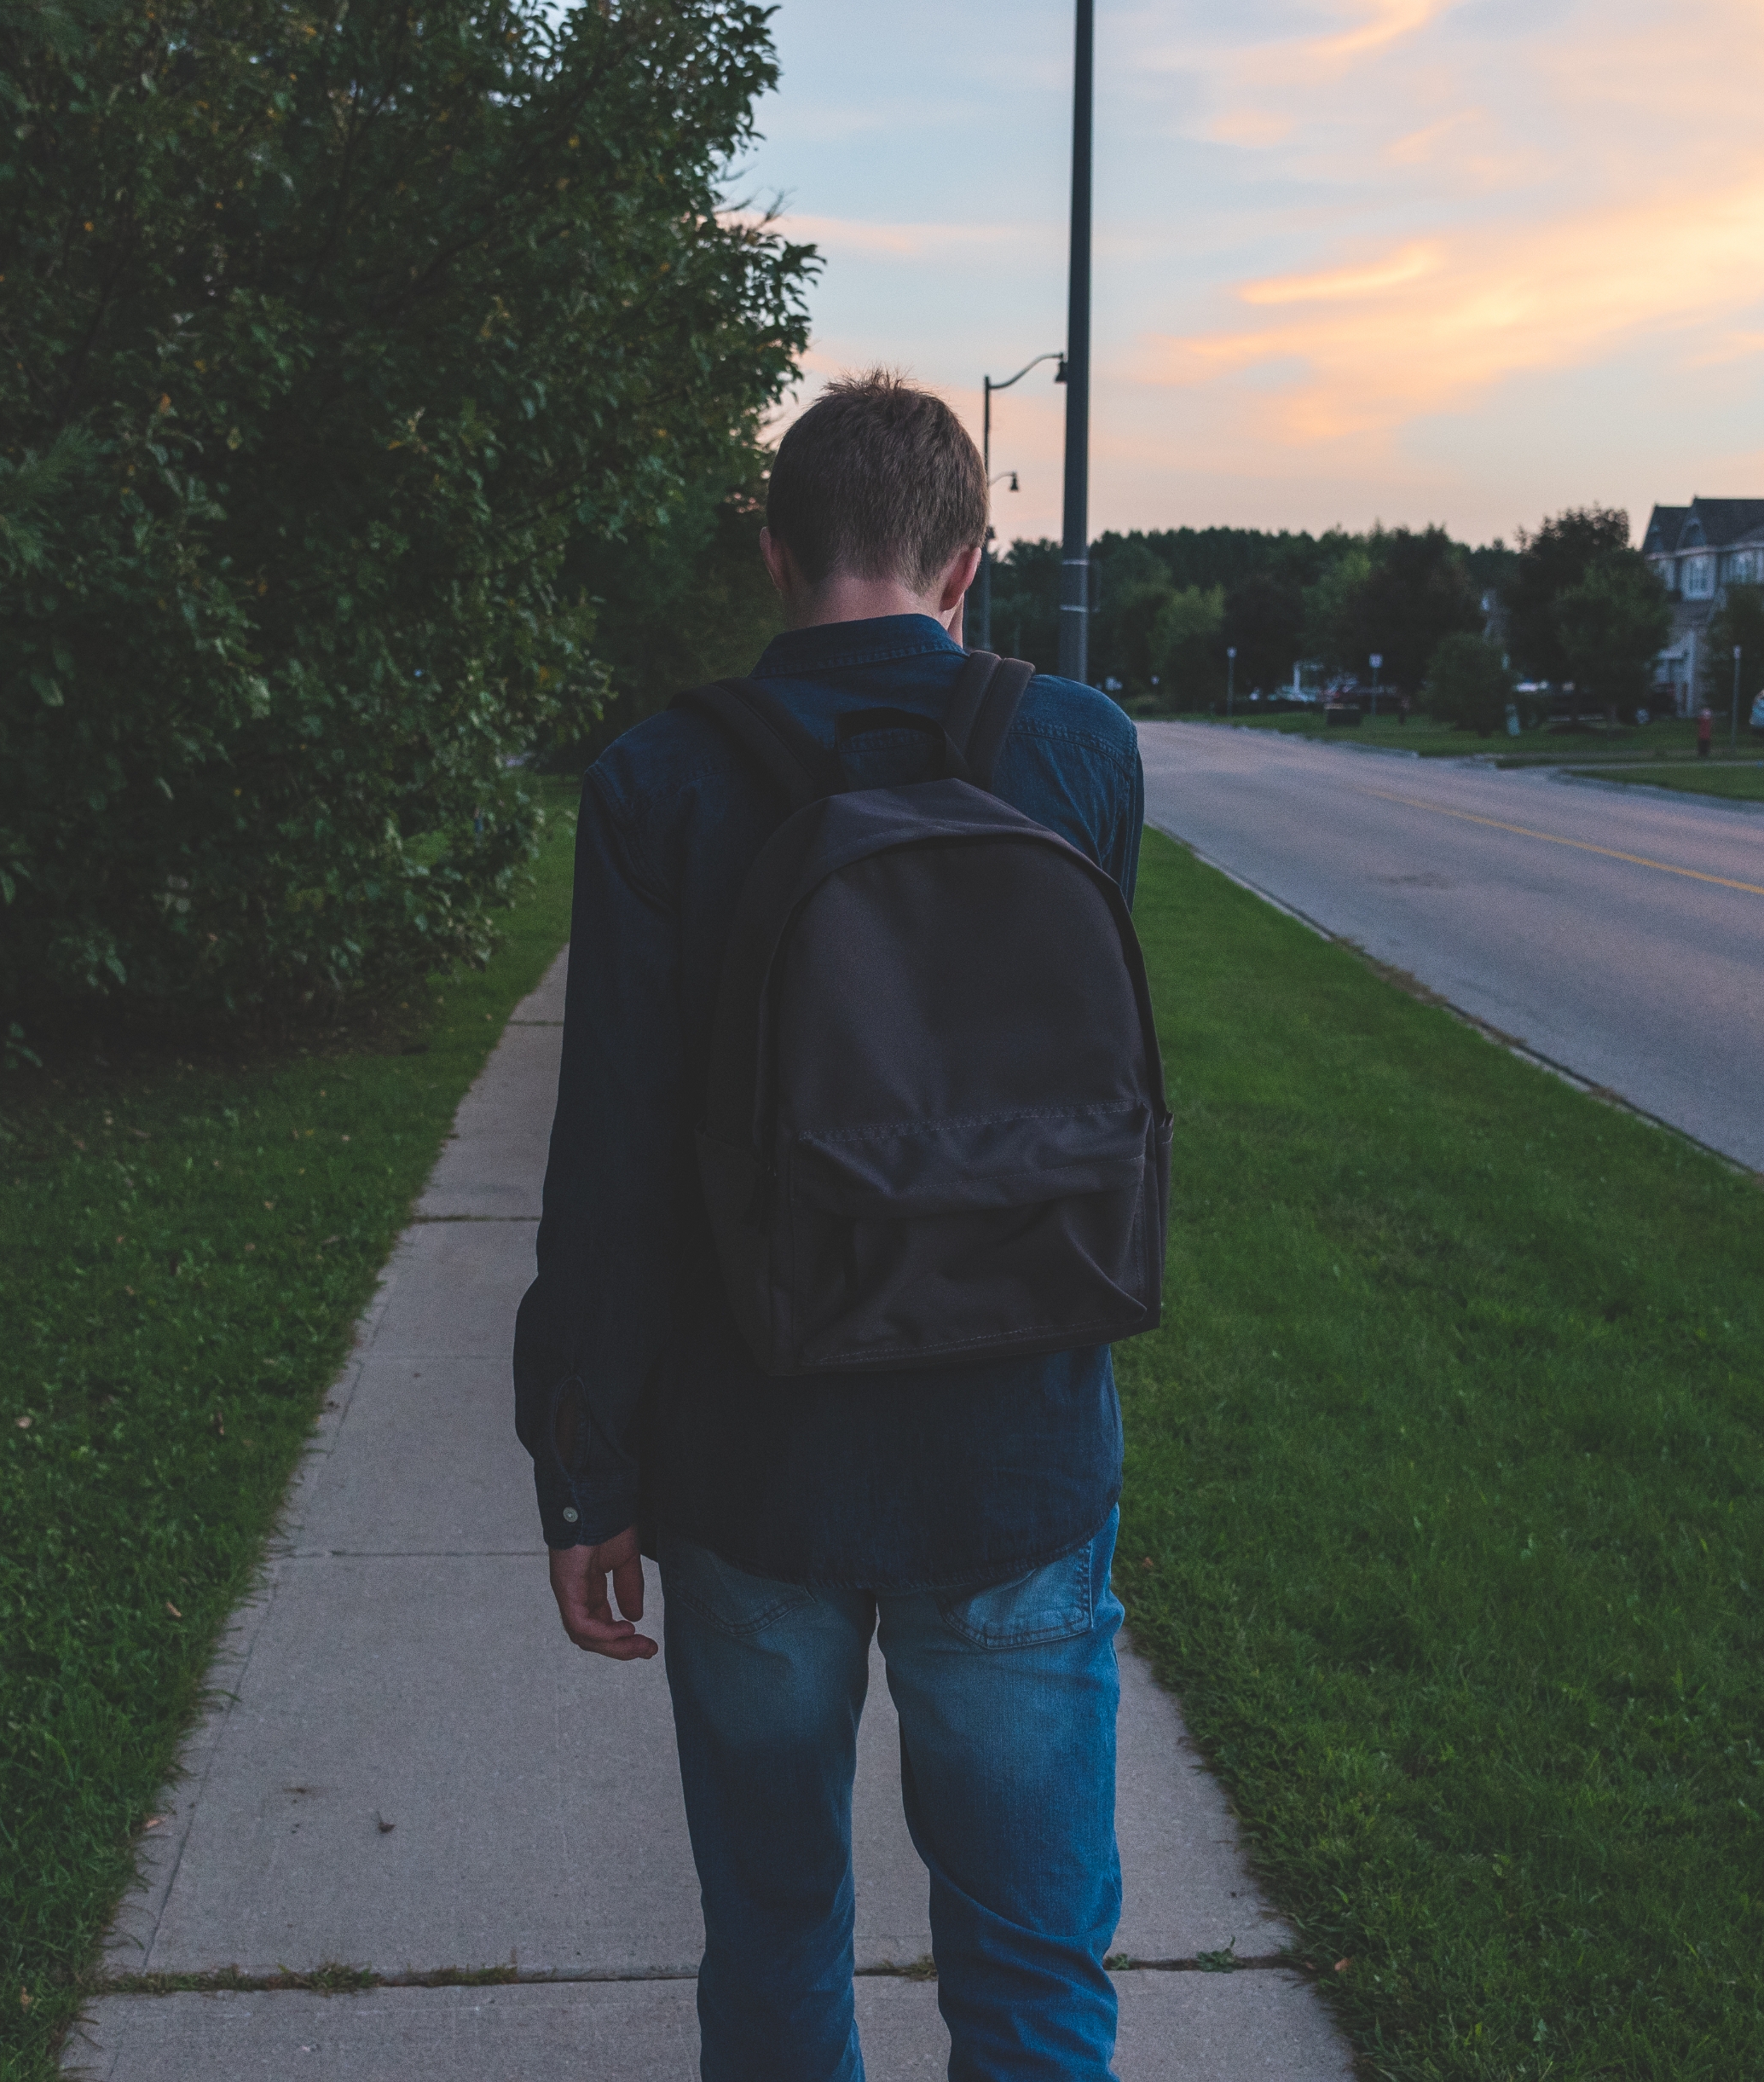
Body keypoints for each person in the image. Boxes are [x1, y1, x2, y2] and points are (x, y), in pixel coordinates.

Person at [514, 370, 1144, 2082]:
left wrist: (587, 1463)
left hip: (748, 1462)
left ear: (772, 550)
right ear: (965, 567)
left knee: (779, 1939)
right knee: (1029, 1965)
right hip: (1011, 1451)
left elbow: (614, 1157)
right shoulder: (1075, 750)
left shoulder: (657, 782)